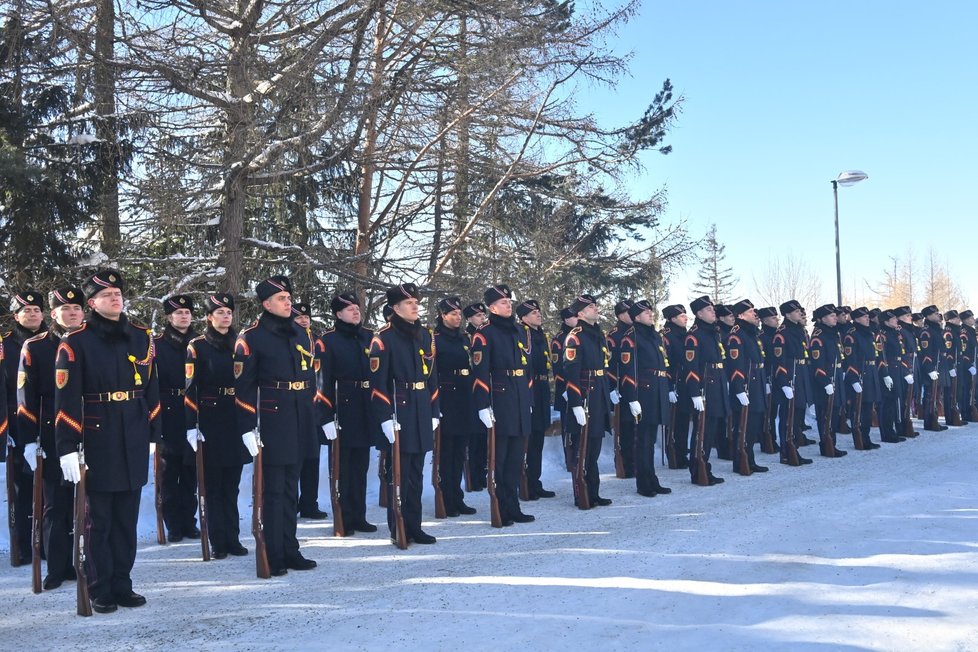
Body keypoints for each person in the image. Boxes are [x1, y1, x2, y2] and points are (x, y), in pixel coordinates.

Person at [55, 269, 161, 613]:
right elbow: (65, 398)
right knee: (98, 518)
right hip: (98, 435)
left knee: (126, 517)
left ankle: (122, 582)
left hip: (132, 431)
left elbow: (152, 388)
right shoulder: (76, 342)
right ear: (92, 303)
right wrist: (67, 445)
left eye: (117, 293)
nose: (115, 298)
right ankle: (99, 586)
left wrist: (152, 432)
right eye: (107, 295)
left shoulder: (141, 336)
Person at [234, 275, 319, 574]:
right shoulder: (252, 337)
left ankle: (290, 548)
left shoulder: (299, 333)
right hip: (272, 418)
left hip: (299, 415)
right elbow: (243, 387)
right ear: (266, 303)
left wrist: (312, 412)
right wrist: (247, 426)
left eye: (289, 298)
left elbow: (309, 377)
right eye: (282, 299)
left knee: (290, 487)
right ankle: (273, 553)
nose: (288, 303)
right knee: (272, 490)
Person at [17, 285, 85, 589]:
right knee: (56, 504)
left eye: (77, 309)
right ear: (54, 314)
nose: (72, 314)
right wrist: (30, 440)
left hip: (92, 430)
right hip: (52, 433)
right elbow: (25, 397)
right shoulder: (36, 346)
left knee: (89, 503)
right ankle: (57, 566)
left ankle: (86, 561)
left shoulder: (93, 341)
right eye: (65, 309)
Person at [368, 283, 440, 544]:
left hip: (421, 406)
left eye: (416, 302)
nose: (415, 306)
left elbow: (432, 377)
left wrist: (434, 410)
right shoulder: (384, 338)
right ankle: (397, 526)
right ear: (396, 308)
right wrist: (385, 417)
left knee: (417, 472)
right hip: (400, 409)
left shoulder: (424, 335)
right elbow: (378, 384)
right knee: (399, 471)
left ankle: (415, 525)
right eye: (409, 303)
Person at [185, 293, 251, 559]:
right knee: (212, 486)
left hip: (235, 417)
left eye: (228, 312)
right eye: (220, 312)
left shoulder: (241, 344)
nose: (226, 317)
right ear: (209, 317)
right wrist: (192, 424)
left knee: (231, 485)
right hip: (211, 419)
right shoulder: (197, 346)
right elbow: (190, 390)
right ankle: (217, 540)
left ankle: (233, 538)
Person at [471, 285, 535, 522]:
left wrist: (528, 399)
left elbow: (526, 370)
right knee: (500, 458)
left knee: (516, 457)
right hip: (500, 399)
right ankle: (500, 507)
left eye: (509, 301)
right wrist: (482, 405)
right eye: (503, 302)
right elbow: (480, 373)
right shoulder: (484, 333)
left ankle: (513, 506)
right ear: (491, 307)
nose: (509, 305)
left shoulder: (520, 330)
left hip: (519, 398)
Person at [318, 292, 381, 533]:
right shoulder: (328, 341)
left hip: (365, 406)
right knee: (342, 468)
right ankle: (343, 517)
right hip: (342, 408)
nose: (356, 311)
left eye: (357, 307)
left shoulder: (368, 337)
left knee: (360, 466)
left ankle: (359, 515)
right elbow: (322, 382)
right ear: (338, 314)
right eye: (349, 308)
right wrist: (326, 416)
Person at [4, 288, 47, 564]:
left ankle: (48, 543)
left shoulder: (54, 341)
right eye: (26, 311)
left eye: (36, 310)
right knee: (22, 486)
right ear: (16, 315)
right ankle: (22, 544)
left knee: (50, 485)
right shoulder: (4, 345)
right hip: (17, 422)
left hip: (50, 419)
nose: (32, 314)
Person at [155, 295, 200, 542]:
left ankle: (189, 521)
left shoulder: (200, 342)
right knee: (169, 472)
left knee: (190, 470)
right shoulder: (157, 345)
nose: (184, 316)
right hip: (168, 409)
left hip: (192, 410)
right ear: (169, 317)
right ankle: (172, 523)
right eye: (179, 313)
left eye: (187, 312)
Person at [618, 299, 672, 496]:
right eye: (647, 312)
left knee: (650, 440)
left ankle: (652, 479)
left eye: (651, 311)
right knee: (643, 440)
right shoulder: (630, 337)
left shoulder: (654, 335)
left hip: (657, 390)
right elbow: (627, 369)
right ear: (637, 316)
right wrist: (632, 398)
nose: (651, 314)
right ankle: (643, 483)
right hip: (643, 393)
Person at [431, 297, 478, 516]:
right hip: (446, 398)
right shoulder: (435, 339)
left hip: (464, 397)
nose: (458, 317)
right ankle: (445, 498)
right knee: (446, 452)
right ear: (443, 316)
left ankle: (457, 498)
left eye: (459, 314)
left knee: (460, 452)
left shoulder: (464, 338)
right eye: (453, 314)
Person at [684, 296, 729, 484]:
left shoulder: (713, 332)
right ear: (699, 313)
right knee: (701, 431)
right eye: (709, 310)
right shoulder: (694, 335)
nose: (713, 312)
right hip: (704, 389)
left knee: (710, 430)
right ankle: (697, 469)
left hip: (716, 385)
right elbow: (691, 367)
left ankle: (705, 466)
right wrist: (695, 392)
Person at [517, 299, 555, 499]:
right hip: (528, 388)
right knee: (528, 440)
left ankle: (535, 481)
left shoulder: (541, 335)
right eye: (533, 313)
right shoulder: (521, 333)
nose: (538, 315)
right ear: (523, 317)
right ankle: (523, 483)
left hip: (541, 388)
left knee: (538, 438)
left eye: (539, 311)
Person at [725, 299, 770, 472]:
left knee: (753, 425)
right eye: (751, 311)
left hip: (756, 383)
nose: (755, 314)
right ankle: (741, 462)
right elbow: (735, 366)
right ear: (741, 315)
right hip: (746, 387)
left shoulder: (751, 333)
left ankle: (749, 459)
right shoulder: (737, 335)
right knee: (744, 426)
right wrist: (738, 389)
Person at [292, 302, 327, 520]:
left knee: (312, 458)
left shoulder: (317, 342)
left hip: (315, 405)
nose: (304, 320)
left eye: (306, 317)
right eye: (299, 317)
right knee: (294, 459)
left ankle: (309, 503)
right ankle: (292, 502)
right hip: (295, 405)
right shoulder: (289, 340)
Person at [771, 300, 814, 465]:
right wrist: (784, 384)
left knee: (796, 417)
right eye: (796, 312)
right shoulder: (782, 334)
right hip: (790, 379)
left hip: (801, 377)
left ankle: (793, 448)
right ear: (788, 314)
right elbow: (779, 362)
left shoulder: (799, 331)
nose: (799, 314)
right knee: (787, 417)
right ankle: (786, 451)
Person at [809, 304, 847, 457]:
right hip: (824, 381)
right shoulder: (819, 336)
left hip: (836, 377)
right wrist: (825, 382)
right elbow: (817, 364)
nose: (835, 318)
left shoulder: (833, 334)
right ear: (823, 319)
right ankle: (826, 445)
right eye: (831, 316)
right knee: (825, 414)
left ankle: (832, 443)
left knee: (834, 412)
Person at [842, 307, 883, 449]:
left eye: (867, 316)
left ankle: (867, 438)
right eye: (864, 316)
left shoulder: (869, 333)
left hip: (871, 372)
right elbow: (849, 360)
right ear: (857, 319)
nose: (867, 318)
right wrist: (853, 379)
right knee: (859, 409)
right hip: (860, 374)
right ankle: (859, 439)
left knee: (868, 408)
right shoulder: (852, 335)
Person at [606, 299, 634, 477]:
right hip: (621, 387)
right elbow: (610, 364)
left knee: (636, 426)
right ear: (620, 315)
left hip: (636, 387)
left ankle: (636, 462)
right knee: (625, 428)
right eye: (627, 312)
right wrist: (612, 388)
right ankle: (625, 464)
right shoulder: (614, 335)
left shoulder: (636, 332)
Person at [463, 301, 489, 492]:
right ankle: (473, 476)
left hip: (485, 389)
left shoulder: (486, 334)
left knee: (484, 437)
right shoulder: (466, 337)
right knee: (473, 438)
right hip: (469, 390)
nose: (482, 318)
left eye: (483, 315)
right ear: (469, 318)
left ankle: (482, 474)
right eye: (478, 316)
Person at [660, 305, 689, 468]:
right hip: (673, 385)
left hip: (685, 383)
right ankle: (674, 455)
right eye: (681, 316)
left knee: (683, 421)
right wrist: (670, 387)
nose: (685, 318)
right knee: (674, 423)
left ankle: (682, 452)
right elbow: (666, 364)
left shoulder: (685, 334)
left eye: (685, 315)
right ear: (672, 319)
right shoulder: (666, 337)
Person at [550, 307, 578, 470]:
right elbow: (558, 369)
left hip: (578, 389)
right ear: (566, 320)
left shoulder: (579, 336)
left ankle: (579, 457)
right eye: (574, 316)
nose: (576, 319)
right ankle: (570, 459)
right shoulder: (559, 339)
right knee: (568, 427)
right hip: (566, 391)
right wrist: (566, 388)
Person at [877, 310, 907, 443]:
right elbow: (880, 356)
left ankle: (894, 430)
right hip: (889, 370)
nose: (896, 321)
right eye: (893, 319)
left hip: (897, 369)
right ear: (886, 322)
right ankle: (887, 433)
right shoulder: (882, 335)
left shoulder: (895, 333)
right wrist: (885, 374)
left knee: (895, 400)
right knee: (887, 403)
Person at [918, 305, 946, 431]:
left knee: (935, 395)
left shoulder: (936, 329)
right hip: (931, 368)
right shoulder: (926, 331)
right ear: (928, 316)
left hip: (938, 367)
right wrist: (930, 370)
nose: (937, 315)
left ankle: (933, 420)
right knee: (930, 396)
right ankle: (929, 422)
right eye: (935, 313)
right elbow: (926, 353)